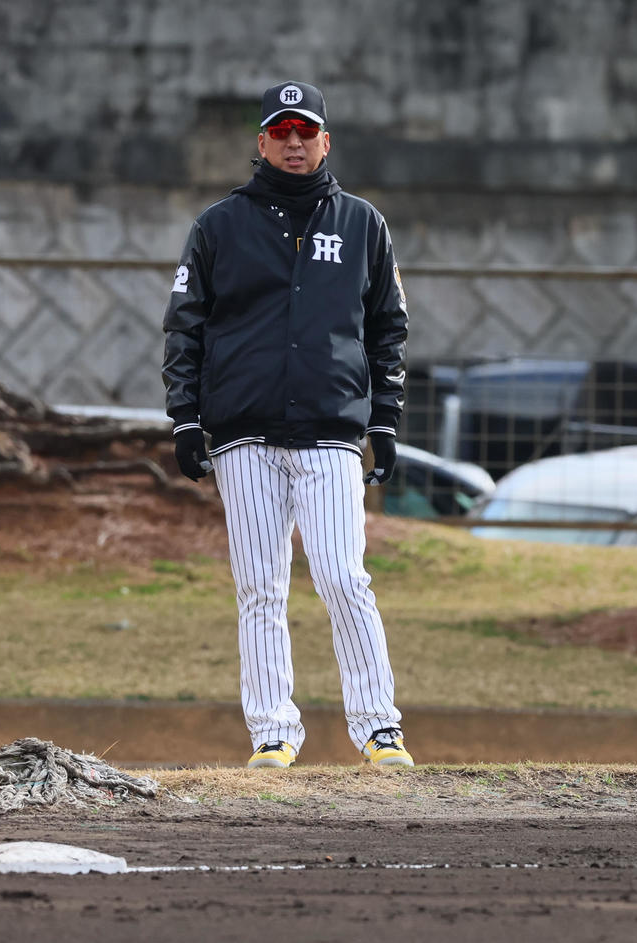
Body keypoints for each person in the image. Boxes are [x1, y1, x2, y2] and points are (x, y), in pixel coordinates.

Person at [161, 80, 413, 770]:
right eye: (281, 132)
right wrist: (185, 418)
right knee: (260, 587)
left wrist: (385, 422)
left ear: (326, 141)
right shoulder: (219, 226)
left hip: (330, 431)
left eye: (306, 133)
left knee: (343, 577)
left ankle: (379, 727)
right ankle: (272, 732)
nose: (294, 144)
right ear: (262, 142)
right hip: (243, 434)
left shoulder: (363, 223)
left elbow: (388, 328)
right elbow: (185, 326)